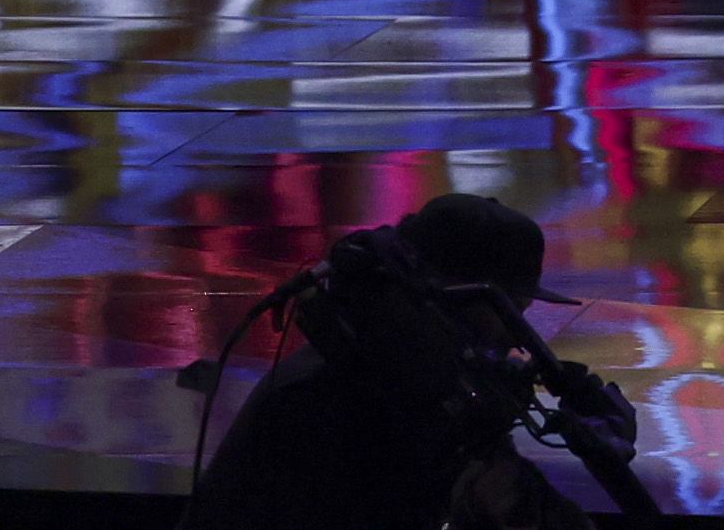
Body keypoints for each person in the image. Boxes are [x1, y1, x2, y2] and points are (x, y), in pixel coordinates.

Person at [189, 190, 634, 530]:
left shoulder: (396, 372)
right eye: (512, 312)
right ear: (467, 301)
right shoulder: (378, 391)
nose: (514, 337)